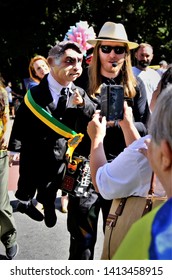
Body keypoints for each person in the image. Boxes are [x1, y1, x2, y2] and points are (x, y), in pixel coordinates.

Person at [66, 21, 150, 260]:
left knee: (119, 238)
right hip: (85, 166)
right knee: (82, 240)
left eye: (119, 49)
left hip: (123, 169)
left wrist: (126, 123)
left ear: (126, 53)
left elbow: (148, 127)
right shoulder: (81, 84)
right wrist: (89, 122)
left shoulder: (136, 85)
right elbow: (67, 125)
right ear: (97, 50)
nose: (112, 54)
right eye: (106, 49)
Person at [8, 41, 96, 228]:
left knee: (51, 185)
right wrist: (14, 148)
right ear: (51, 62)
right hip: (33, 149)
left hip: (59, 152)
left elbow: (92, 112)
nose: (77, 67)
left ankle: (48, 205)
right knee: (27, 181)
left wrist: (82, 104)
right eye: (69, 61)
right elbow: (21, 121)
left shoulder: (78, 91)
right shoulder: (35, 93)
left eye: (80, 61)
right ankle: (24, 203)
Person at [113, 85, 172, 260]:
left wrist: (96, 140)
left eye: (151, 135)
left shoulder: (150, 235)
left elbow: (102, 182)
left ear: (164, 153)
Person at [0, 79, 18, 259]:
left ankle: (9, 238)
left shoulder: (1, 93)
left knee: (0, 201)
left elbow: (6, 118)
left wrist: (6, 136)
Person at [132, 43, 161, 108]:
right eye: (142, 55)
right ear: (136, 55)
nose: (144, 59)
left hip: (152, 115)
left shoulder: (155, 75)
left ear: (152, 57)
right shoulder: (130, 73)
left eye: (147, 56)